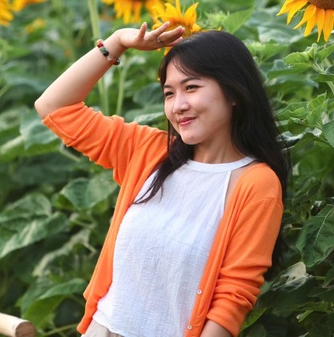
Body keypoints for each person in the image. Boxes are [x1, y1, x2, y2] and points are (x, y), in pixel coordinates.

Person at [35, 22, 288, 337]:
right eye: (169, 93)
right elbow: (54, 107)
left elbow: (233, 295)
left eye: (191, 87)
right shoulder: (149, 151)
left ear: (234, 92)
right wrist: (116, 43)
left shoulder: (256, 183)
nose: (178, 105)